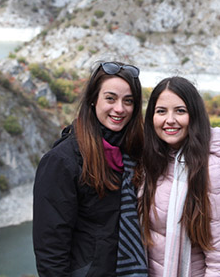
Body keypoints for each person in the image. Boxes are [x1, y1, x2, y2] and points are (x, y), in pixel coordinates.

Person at [33, 61, 148, 277]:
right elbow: (50, 251)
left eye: (128, 101)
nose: (119, 109)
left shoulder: (134, 153)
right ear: (94, 100)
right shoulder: (62, 161)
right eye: (110, 98)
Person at [136, 76, 220, 277]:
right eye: (161, 111)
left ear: (195, 115)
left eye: (180, 111)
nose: (170, 120)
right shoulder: (150, 163)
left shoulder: (213, 170)